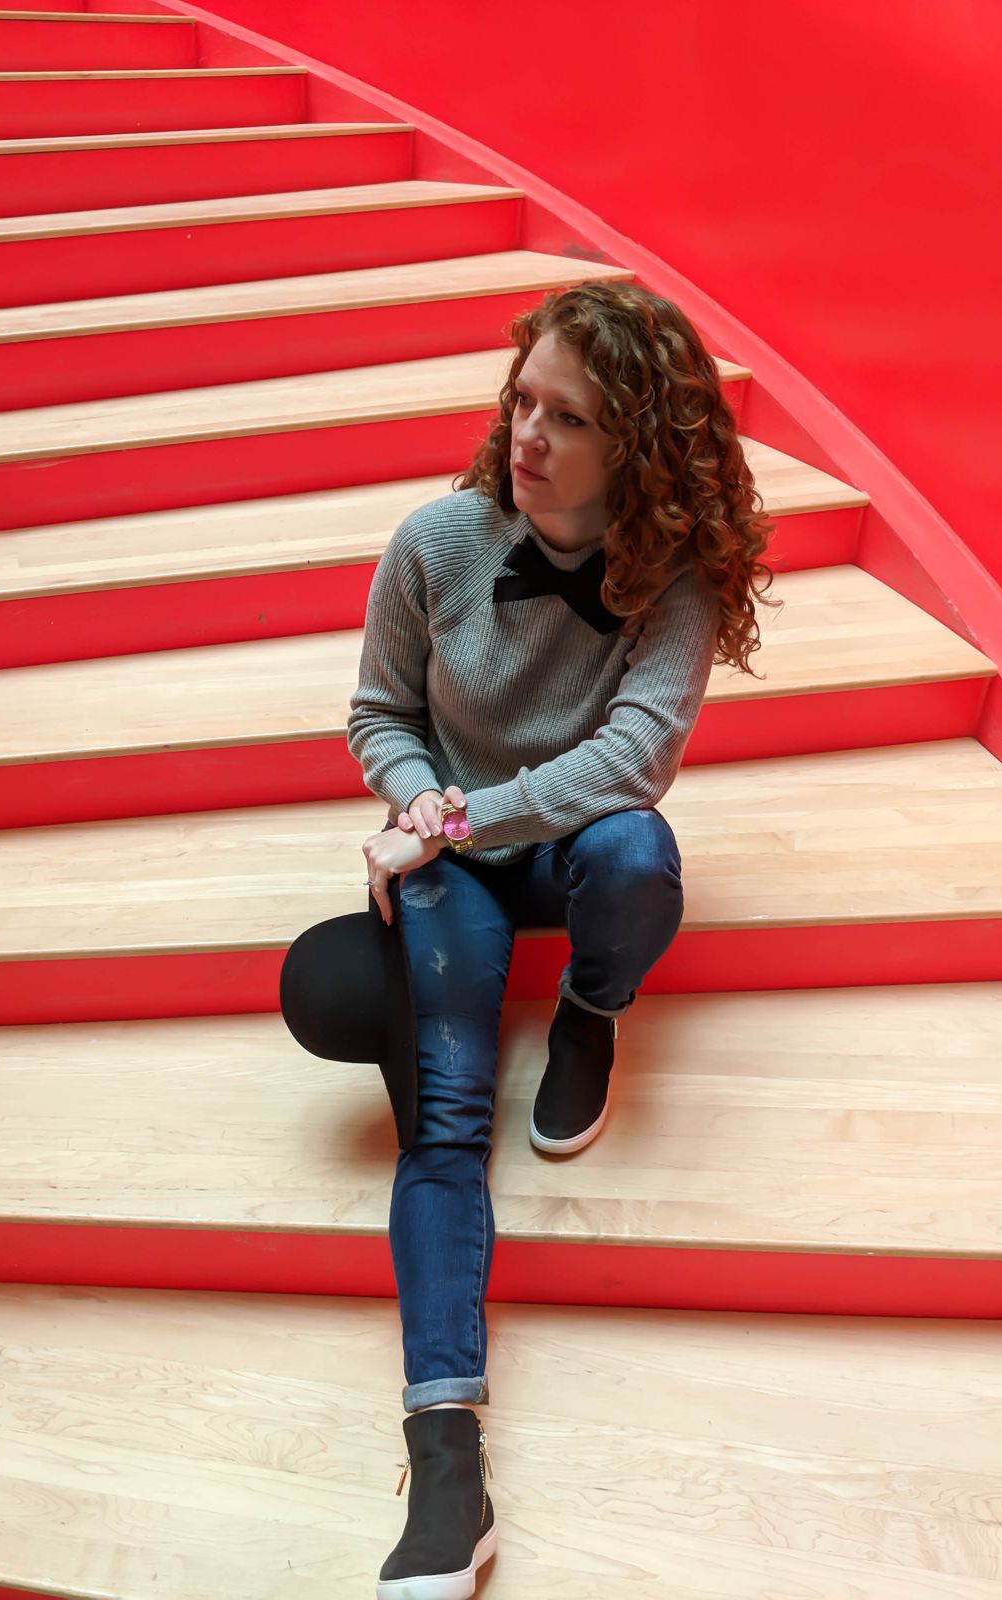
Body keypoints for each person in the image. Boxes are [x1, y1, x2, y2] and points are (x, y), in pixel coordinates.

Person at [346, 281, 778, 1598]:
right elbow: (375, 713)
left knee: (641, 854)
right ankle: (446, 1461)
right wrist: (415, 794)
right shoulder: (436, 543)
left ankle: (592, 1004)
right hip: (458, 859)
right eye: (519, 400)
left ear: (636, 445)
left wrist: (463, 812)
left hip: (559, 842)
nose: (526, 435)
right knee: (447, 1117)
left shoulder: (677, 585)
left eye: (568, 416)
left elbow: (631, 762)